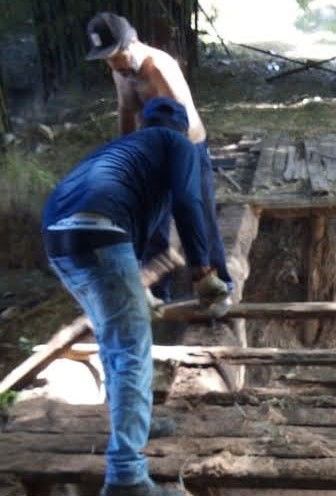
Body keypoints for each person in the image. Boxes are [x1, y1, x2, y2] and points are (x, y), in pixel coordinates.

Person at [42, 97, 230, 496]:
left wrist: (135, 286)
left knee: (115, 341)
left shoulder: (127, 151)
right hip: (100, 233)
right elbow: (189, 202)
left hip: (59, 238)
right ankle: (127, 476)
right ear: (183, 130)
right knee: (130, 347)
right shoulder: (176, 143)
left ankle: (135, 424)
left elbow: (142, 221)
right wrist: (204, 270)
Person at [85, 11, 232, 301]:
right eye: (107, 58)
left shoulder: (159, 69)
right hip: (151, 153)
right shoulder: (120, 71)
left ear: (133, 42)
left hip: (186, 148)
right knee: (152, 227)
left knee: (197, 218)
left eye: (116, 55)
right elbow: (126, 110)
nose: (113, 63)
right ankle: (157, 296)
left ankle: (218, 290)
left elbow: (180, 125)